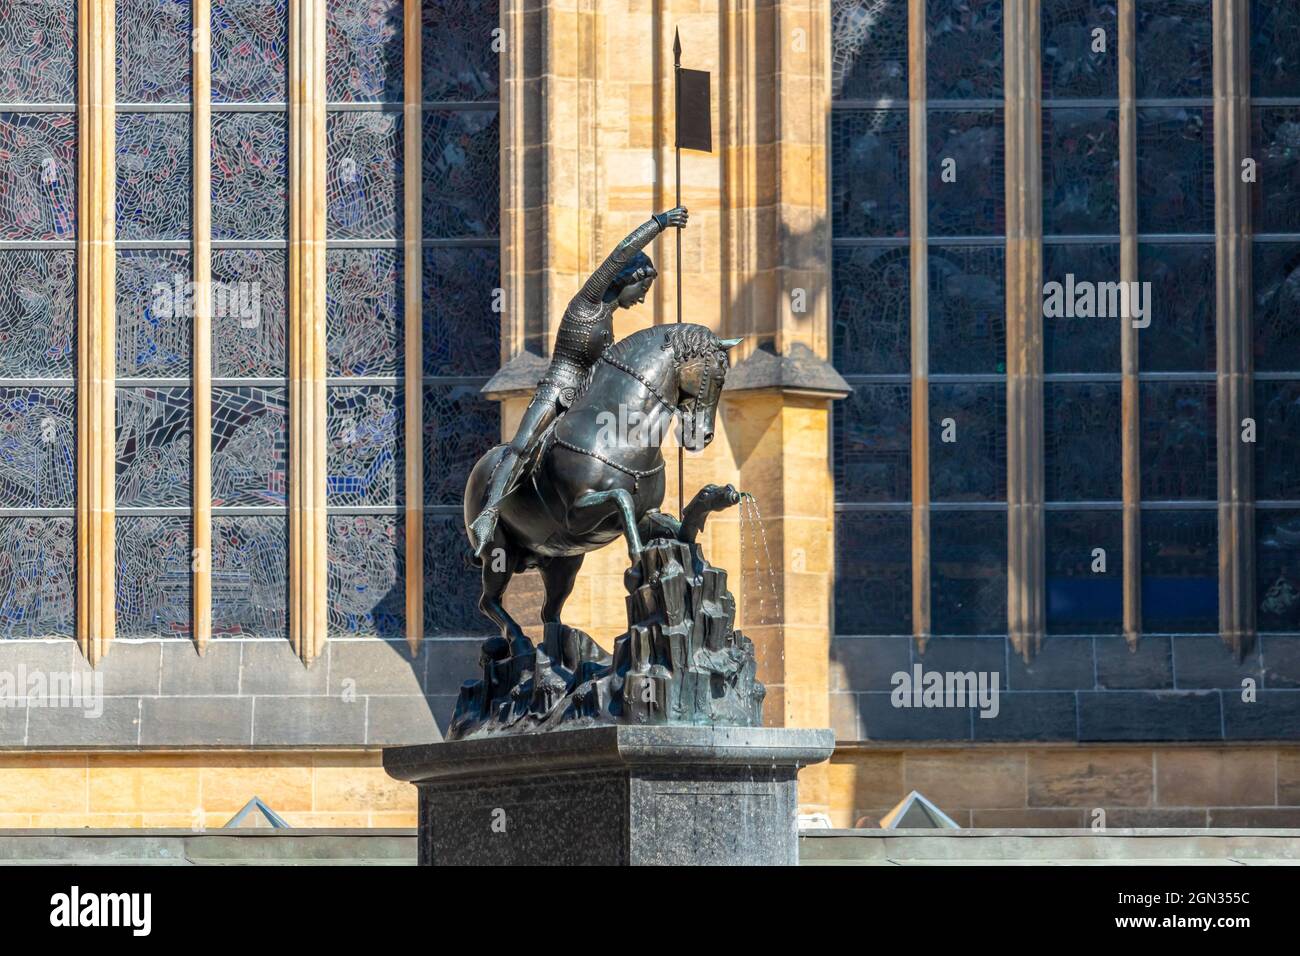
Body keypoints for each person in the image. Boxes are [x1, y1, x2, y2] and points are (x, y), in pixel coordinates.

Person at [468, 206, 689, 557]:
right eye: (642, 287)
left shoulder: (608, 319)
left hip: (585, 399)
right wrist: (658, 224)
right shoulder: (587, 303)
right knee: (522, 445)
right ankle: (489, 515)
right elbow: (619, 255)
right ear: (627, 279)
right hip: (558, 389)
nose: (643, 297)